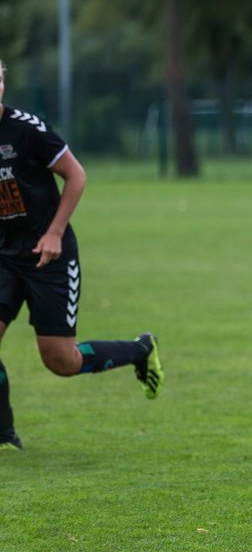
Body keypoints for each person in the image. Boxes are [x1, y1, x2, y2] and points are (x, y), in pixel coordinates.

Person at [0, 58, 164, 451]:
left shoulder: (27, 129)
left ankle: (141, 349)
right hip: (4, 255)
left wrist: (55, 233)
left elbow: (77, 176)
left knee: (60, 361)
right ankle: (4, 434)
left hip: (48, 257)